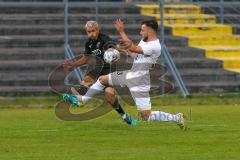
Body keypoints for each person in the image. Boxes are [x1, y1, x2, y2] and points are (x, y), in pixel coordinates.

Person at [66, 19, 186, 130]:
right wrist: (126, 53)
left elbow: (134, 48)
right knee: (103, 80)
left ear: (149, 31)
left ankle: (176, 118)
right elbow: (135, 54)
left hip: (140, 80)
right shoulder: (145, 42)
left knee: (146, 116)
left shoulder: (155, 46)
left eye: (142, 30)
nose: (140, 32)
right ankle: (82, 100)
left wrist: (121, 32)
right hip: (131, 74)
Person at [63, 20, 136, 125]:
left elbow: (115, 46)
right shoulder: (88, 43)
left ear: (98, 30)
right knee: (86, 80)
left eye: (93, 31)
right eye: (88, 32)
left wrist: (126, 51)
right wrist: (73, 65)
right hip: (97, 69)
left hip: (107, 71)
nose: (91, 34)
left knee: (109, 95)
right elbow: (85, 58)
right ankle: (78, 99)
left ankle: (124, 116)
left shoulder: (104, 39)